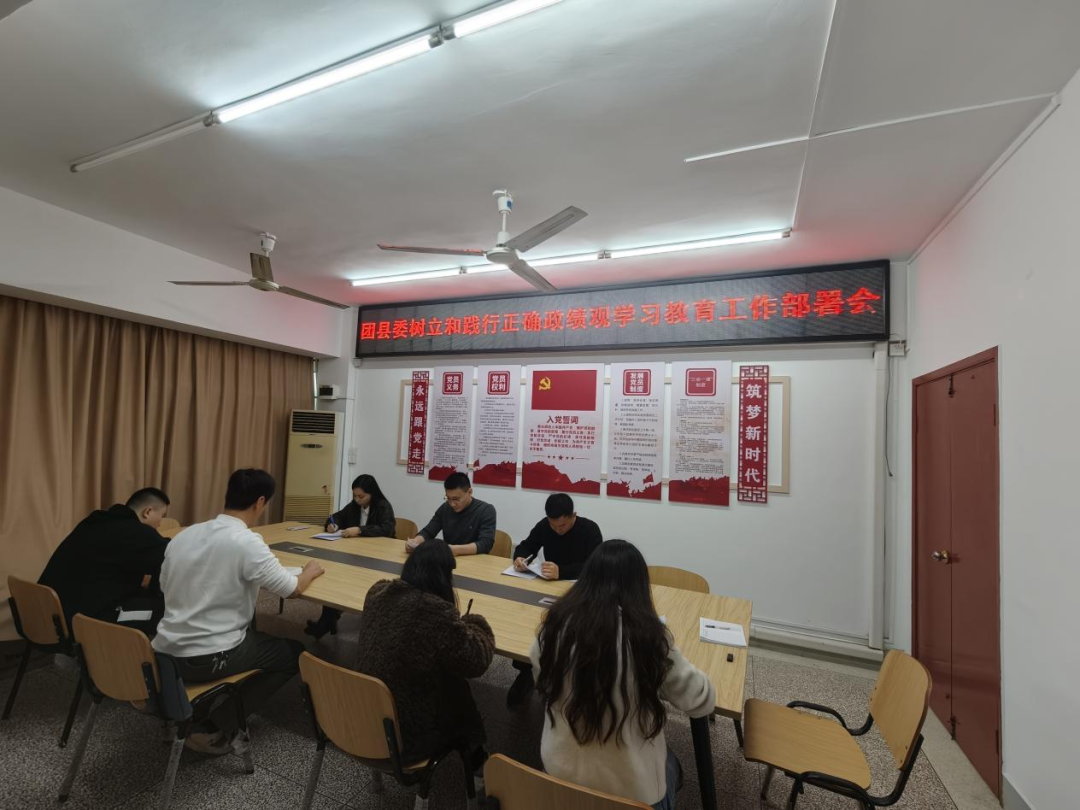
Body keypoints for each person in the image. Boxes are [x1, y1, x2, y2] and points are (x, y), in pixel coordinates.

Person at [531, 540, 715, 810]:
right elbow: (700, 700)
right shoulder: (649, 638)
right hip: (630, 796)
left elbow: (543, 682)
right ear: (638, 587)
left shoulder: (554, 625)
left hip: (558, 776)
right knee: (672, 764)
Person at [152, 469, 324, 755]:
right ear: (260, 502)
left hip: (164, 652)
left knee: (254, 634)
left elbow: (164, 584)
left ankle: (191, 711)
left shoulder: (185, 535)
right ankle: (215, 727)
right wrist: (309, 571)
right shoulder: (246, 541)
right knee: (293, 654)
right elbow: (291, 589)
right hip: (208, 656)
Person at [355, 540, 494, 778]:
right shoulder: (436, 613)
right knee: (456, 686)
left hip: (362, 720)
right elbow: (478, 661)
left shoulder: (376, 593)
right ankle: (477, 762)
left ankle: (477, 758)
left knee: (438, 670)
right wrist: (474, 623)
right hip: (406, 740)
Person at [506, 492, 603, 706]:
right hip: (547, 588)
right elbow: (526, 545)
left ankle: (563, 678)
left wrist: (562, 572)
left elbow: (595, 566)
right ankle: (526, 671)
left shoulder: (589, 530)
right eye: (553, 525)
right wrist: (520, 558)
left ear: (573, 515)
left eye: (563, 525)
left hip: (579, 592)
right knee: (530, 625)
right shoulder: (545, 526)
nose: (558, 530)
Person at [38, 487, 171, 636]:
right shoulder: (137, 532)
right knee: (171, 612)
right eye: (162, 516)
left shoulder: (95, 521)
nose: (160, 523)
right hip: (82, 619)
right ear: (148, 511)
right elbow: (170, 556)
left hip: (49, 612)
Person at [305, 474, 396, 640]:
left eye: (361, 496)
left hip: (378, 557)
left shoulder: (383, 506)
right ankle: (328, 619)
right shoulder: (354, 505)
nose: (357, 500)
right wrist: (332, 525)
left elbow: (387, 529)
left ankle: (328, 621)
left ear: (372, 494)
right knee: (335, 576)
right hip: (355, 553)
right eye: (355, 496)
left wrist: (360, 530)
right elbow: (337, 516)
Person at [407, 472, 495, 557]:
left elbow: (486, 543)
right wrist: (415, 542)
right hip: (449, 559)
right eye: (448, 498)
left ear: (470, 492)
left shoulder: (485, 510)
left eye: (456, 499)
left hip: (476, 561)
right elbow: (428, 532)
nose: (452, 504)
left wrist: (456, 550)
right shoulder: (445, 508)